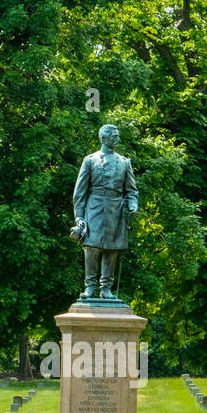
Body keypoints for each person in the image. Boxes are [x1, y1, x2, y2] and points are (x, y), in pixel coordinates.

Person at [71, 123, 138, 301]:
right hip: (94, 208)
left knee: (112, 249)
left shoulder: (124, 162)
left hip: (116, 210)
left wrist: (133, 204)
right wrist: (79, 217)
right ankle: (90, 286)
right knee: (91, 248)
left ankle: (106, 287)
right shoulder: (90, 160)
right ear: (104, 138)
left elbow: (131, 191)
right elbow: (80, 192)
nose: (118, 139)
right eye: (114, 136)